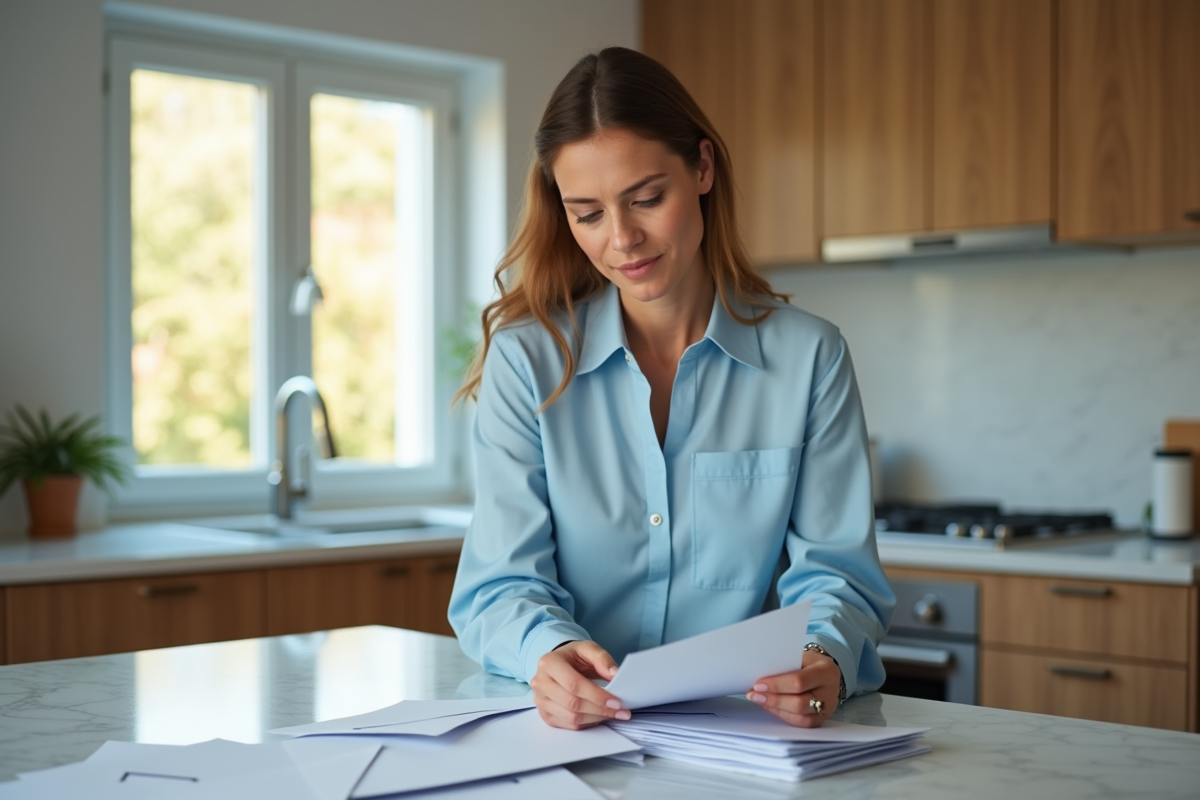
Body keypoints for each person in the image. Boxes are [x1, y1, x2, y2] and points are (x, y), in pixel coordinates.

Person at [449, 47, 894, 731]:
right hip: (573, 743)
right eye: (587, 213)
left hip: (745, 739)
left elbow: (839, 575)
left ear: (704, 168)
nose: (622, 238)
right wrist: (554, 651)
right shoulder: (527, 361)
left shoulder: (811, 356)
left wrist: (821, 656)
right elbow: (500, 584)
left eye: (647, 199)